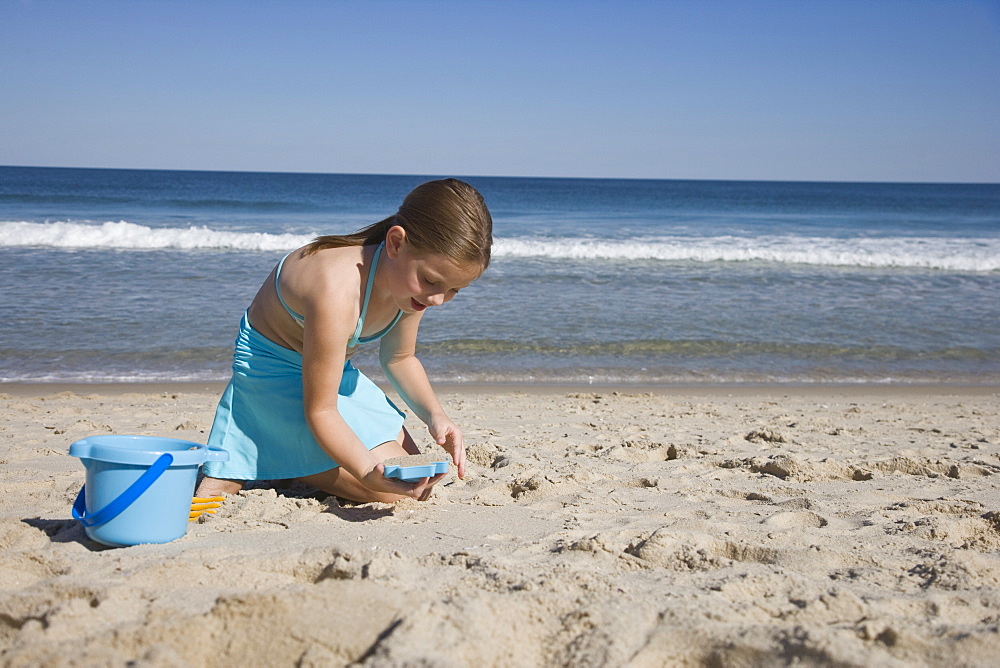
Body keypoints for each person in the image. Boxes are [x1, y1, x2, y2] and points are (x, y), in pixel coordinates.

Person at [194, 179, 492, 505]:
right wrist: (366, 472)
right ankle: (277, 451)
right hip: (270, 380)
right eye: (432, 281)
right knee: (394, 494)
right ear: (396, 243)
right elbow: (321, 411)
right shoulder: (336, 289)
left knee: (416, 481)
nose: (438, 299)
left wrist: (437, 416)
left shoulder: (410, 286)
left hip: (332, 376)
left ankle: (292, 455)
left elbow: (399, 358)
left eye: (453, 290)